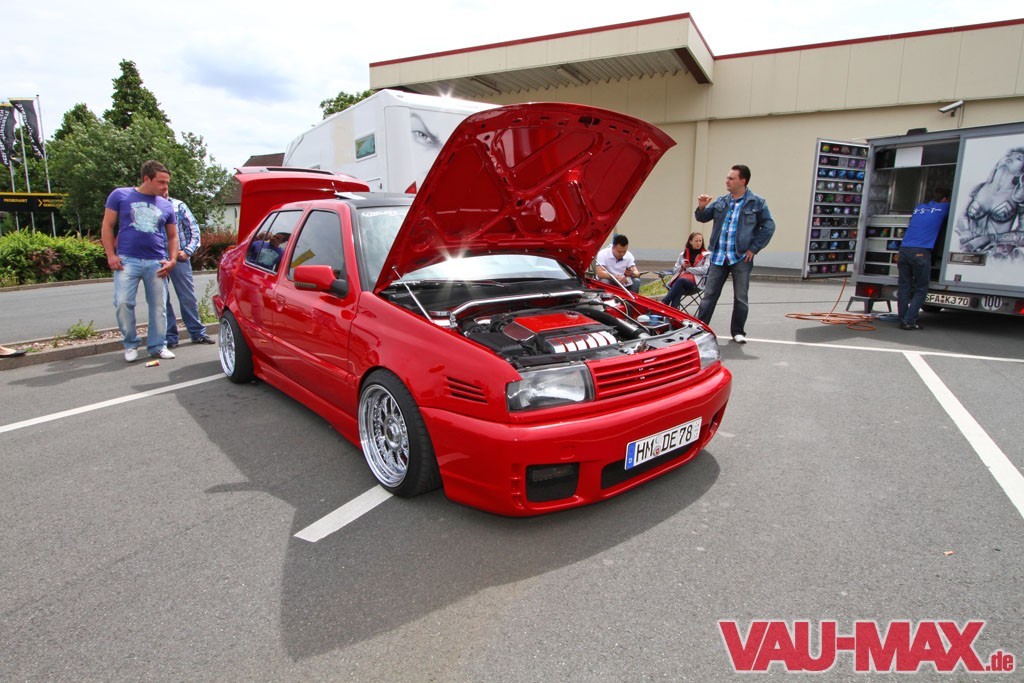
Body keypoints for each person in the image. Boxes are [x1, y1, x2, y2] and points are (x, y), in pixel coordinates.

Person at [101, 160, 179, 362]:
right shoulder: (120, 195)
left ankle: (158, 346)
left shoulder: (166, 205)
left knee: (159, 306)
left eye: (167, 182)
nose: (165, 187)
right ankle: (130, 344)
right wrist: (110, 254)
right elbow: (108, 225)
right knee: (123, 302)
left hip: (157, 261)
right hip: (127, 260)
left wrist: (172, 260)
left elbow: (173, 236)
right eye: (161, 182)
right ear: (146, 178)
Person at [694, 164, 776, 343]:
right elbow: (702, 217)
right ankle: (700, 329)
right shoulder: (722, 201)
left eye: (731, 178)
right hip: (718, 256)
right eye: (727, 178)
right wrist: (701, 207)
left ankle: (738, 332)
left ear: (742, 181)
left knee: (740, 297)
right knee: (709, 295)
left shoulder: (757, 202)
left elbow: (769, 226)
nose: (727, 181)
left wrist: (754, 248)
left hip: (740, 257)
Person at [162, 190, 214, 348]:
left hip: (179, 257)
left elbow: (194, 230)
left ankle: (197, 333)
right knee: (162, 300)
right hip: (158, 258)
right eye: (161, 185)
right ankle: (170, 337)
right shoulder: (149, 207)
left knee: (187, 297)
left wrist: (187, 251)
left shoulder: (178, 206)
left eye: (166, 186)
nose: (164, 190)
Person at [897, 187, 951, 330]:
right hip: (921, 251)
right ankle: (909, 321)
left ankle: (902, 318)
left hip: (904, 249)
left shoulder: (919, 207)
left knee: (904, 286)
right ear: (945, 199)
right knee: (921, 288)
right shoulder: (945, 207)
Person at [662, 231, 710, 309]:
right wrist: (682, 266)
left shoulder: (706, 255)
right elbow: (675, 270)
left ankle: (665, 302)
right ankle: (674, 309)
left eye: (700, 241)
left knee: (681, 281)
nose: (698, 243)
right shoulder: (682, 254)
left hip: (697, 282)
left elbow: (704, 270)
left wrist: (687, 269)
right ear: (690, 242)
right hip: (682, 282)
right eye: (696, 241)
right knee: (680, 287)